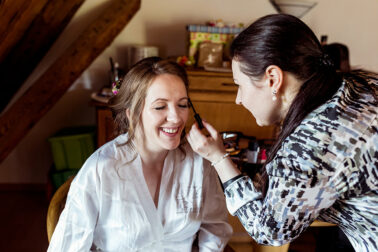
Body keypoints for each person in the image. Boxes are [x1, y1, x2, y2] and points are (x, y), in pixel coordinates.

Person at [186, 14, 377, 252]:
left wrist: (218, 158)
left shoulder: (314, 142)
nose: (238, 99)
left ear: (273, 78)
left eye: (240, 85)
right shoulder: (358, 87)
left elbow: (270, 230)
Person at [48, 57, 232, 251]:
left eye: (183, 104)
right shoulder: (101, 169)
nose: (176, 117)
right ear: (132, 114)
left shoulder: (198, 163)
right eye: (160, 106)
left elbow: (216, 228)